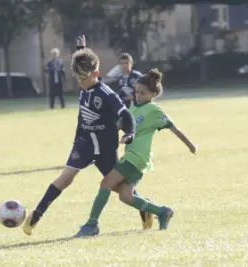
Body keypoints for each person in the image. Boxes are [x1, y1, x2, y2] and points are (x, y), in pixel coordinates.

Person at [23, 35, 151, 236]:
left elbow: (125, 115)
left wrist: (130, 133)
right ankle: (35, 216)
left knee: (119, 189)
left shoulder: (106, 94)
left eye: (84, 78)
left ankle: (146, 207)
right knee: (65, 178)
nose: (80, 83)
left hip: (105, 147)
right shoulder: (85, 79)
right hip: (83, 143)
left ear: (96, 74)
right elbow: (84, 61)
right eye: (78, 78)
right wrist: (81, 49)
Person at [75, 68, 197, 238]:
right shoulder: (132, 109)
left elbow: (174, 129)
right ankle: (162, 211)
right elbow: (115, 127)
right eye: (137, 92)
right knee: (125, 196)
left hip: (137, 158)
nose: (138, 96)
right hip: (133, 158)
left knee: (106, 184)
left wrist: (191, 146)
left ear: (154, 94)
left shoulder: (154, 110)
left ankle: (91, 224)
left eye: (143, 93)